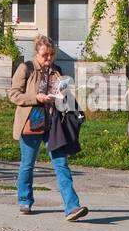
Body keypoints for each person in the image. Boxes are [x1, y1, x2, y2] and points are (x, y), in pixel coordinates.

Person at [9, 35, 87, 220]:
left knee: (61, 164)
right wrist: (36, 98)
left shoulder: (57, 70)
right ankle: (24, 200)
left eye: (52, 55)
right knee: (27, 164)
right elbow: (13, 95)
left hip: (53, 124)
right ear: (37, 53)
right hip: (32, 121)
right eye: (45, 55)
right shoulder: (26, 68)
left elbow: (64, 94)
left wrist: (68, 102)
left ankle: (72, 207)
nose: (49, 58)